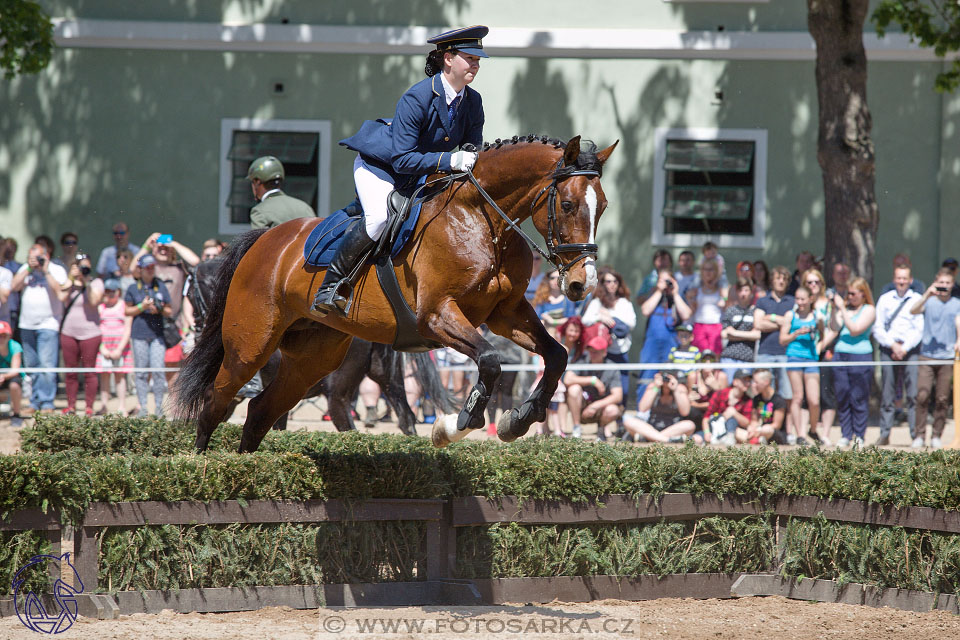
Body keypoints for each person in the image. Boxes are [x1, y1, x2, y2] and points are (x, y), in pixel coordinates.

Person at [314, 26, 488, 314]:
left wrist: (468, 157)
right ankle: (330, 287)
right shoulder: (417, 98)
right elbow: (403, 159)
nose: (476, 64)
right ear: (448, 58)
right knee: (379, 218)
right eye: (470, 58)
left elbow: (471, 148)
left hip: (421, 173)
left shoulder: (473, 101)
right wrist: (449, 161)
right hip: (381, 168)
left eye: (478, 60)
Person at [10, 243, 68, 414]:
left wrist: (45, 269)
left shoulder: (56, 270)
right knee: (33, 365)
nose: (34, 260)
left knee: (47, 365)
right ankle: (35, 402)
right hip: (26, 324)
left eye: (37, 257)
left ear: (46, 255)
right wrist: (28, 267)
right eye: (31, 257)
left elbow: (60, 292)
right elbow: (14, 286)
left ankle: (47, 403)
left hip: (48, 324)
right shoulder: (25, 269)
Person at [872, 264, 924, 447]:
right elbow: (877, 327)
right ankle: (885, 434)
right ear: (894, 280)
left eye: (905, 278)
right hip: (889, 348)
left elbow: (919, 328)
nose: (901, 282)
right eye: (898, 278)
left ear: (910, 280)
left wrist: (905, 347)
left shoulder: (917, 299)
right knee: (887, 394)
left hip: (911, 350)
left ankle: (915, 435)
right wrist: (893, 345)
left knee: (913, 394)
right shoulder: (885, 299)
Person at [909, 268, 960, 449]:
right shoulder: (929, 302)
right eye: (941, 283)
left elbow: (958, 322)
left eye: (947, 283)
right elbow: (912, 310)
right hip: (927, 356)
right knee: (922, 395)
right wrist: (927, 294)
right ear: (935, 282)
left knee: (942, 398)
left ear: (952, 284)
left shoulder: (956, 303)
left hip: (947, 358)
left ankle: (937, 435)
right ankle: (919, 435)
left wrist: (958, 340)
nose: (944, 286)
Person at [827, 278, 876, 448]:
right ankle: (845, 434)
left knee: (858, 397)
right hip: (841, 355)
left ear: (863, 294)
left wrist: (842, 308)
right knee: (843, 396)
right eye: (848, 293)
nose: (850, 296)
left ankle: (859, 434)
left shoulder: (869, 310)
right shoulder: (845, 310)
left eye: (854, 293)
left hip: (861, 356)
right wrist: (834, 309)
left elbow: (855, 330)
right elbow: (835, 327)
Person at [125, 254, 173, 417]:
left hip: (157, 335)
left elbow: (169, 310)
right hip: (139, 334)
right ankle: (143, 408)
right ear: (141, 269)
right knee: (141, 373)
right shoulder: (133, 288)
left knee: (158, 371)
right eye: (148, 267)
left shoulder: (160, 285)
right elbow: (127, 310)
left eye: (153, 267)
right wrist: (142, 306)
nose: (151, 270)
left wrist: (158, 309)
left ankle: (159, 407)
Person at [57, 253, 104, 415]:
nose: (82, 269)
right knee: (70, 371)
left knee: (89, 371)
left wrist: (85, 281)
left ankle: (89, 407)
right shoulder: (69, 283)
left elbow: (94, 301)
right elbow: (61, 296)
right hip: (68, 332)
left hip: (90, 333)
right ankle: (71, 406)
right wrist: (71, 278)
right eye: (79, 265)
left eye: (85, 266)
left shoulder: (96, 282)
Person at [780, 286, 825, 445]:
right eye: (797, 299)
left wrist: (818, 347)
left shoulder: (816, 316)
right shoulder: (790, 315)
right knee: (797, 397)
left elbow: (822, 336)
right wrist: (795, 334)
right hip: (794, 357)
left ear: (810, 299)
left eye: (803, 299)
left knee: (814, 400)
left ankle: (812, 430)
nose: (800, 302)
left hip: (811, 359)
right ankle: (800, 435)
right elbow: (782, 339)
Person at [583, 268, 637, 400]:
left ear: (619, 284)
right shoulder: (597, 302)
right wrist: (600, 318)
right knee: (600, 388)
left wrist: (610, 317)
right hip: (601, 353)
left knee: (622, 388)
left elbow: (631, 323)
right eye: (608, 281)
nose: (612, 284)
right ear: (603, 283)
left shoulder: (625, 303)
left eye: (615, 281)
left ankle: (620, 416)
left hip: (620, 350)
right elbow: (585, 320)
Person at [754, 266, 795, 432]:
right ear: (772, 280)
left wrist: (768, 319)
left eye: (784, 279)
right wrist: (780, 320)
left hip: (786, 353)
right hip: (765, 352)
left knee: (788, 394)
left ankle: (788, 431)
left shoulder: (792, 301)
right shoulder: (762, 301)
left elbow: (792, 325)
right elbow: (758, 324)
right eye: (778, 278)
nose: (781, 282)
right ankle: (763, 427)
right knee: (764, 392)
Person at [563, 331, 623, 440]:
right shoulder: (583, 361)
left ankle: (601, 431)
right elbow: (567, 379)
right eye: (591, 351)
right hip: (582, 407)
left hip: (601, 408)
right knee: (573, 389)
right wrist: (592, 380)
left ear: (604, 352)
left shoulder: (612, 367)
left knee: (613, 410)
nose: (592, 354)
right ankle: (576, 428)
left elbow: (618, 396)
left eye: (596, 352)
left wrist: (595, 406)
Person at [802, 268, 836, 444]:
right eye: (809, 282)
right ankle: (804, 433)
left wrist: (820, 346)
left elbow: (834, 328)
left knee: (826, 394)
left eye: (816, 282)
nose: (813, 285)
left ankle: (825, 434)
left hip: (824, 353)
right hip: (805, 353)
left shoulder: (828, 303)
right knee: (806, 396)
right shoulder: (801, 302)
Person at [622, 370, 695, 443]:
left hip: (674, 429)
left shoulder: (680, 388)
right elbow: (642, 408)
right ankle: (667, 440)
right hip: (652, 428)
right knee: (628, 421)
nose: (666, 380)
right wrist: (656, 387)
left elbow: (685, 412)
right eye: (665, 377)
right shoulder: (654, 387)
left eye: (669, 377)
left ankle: (650, 439)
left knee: (690, 425)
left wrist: (675, 390)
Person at [246, 156, 317, 230]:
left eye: (252, 182)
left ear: (257, 182)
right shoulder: (305, 208)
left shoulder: (259, 212)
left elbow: (259, 241)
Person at [96, 278, 133, 415]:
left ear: (119, 292)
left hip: (120, 348)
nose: (110, 294)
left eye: (113, 291)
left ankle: (122, 406)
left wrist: (119, 349)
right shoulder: (100, 307)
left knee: (120, 376)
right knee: (104, 376)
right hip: (104, 347)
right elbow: (96, 328)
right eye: (107, 291)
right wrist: (102, 348)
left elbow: (127, 329)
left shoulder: (124, 306)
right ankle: (104, 405)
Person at [719, 277, 760, 382]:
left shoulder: (755, 311)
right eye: (741, 290)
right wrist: (748, 335)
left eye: (746, 290)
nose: (743, 293)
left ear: (751, 292)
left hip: (747, 357)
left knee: (744, 389)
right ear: (736, 292)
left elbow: (757, 335)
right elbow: (724, 334)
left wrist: (734, 333)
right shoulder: (730, 310)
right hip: (729, 356)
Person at [700, 368, 753, 446]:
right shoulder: (720, 394)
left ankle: (729, 437)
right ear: (735, 382)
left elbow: (747, 423)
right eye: (744, 380)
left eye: (749, 381)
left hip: (733, 430)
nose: (747, 383)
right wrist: (707, 432)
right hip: (714, 428)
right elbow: (706, 417)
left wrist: (734, 413)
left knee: (732, 420)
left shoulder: (748, 400)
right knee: (696, 439)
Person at [685, 258, 728, 355]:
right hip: (699, 325)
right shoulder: (696, 289)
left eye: (711, 269)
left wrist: (724, 299)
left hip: (716, 326)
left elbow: (728, 305)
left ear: (716, 271)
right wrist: (690, 299)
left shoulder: (721, 289)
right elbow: (692, 309)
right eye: (705, 269)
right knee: (699, 355)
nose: (708, 272)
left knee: (715, 354)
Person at [736, 369, 787, 445]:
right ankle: (757, 440)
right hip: (759, 432)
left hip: (774, 434)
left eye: (756, 382)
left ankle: (756, 440)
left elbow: (777, 425)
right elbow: (754, 420)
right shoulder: (756, 399)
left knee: (766, 429)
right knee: (737, 431)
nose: (753, 385)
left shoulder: (778, 400)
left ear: (766, 382)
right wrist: (752, 428)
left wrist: (759, 430)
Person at [533, 269, 576, 337]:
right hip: (545, 335)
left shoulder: (568, 300)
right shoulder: (542, 299)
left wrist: (552, 321)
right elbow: (538, 319)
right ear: (548, 280)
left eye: (559, 278)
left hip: (563, 336)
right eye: (552, 278)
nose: (555, 281)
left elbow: (570, 320)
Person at [0, 321, 25, 427]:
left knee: (14, 386)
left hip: (11, 377)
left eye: (4, 335)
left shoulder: (15, 346)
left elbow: (15, 370)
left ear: (9, 336)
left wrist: (3, 376)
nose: (1, 339)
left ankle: (16, 414)